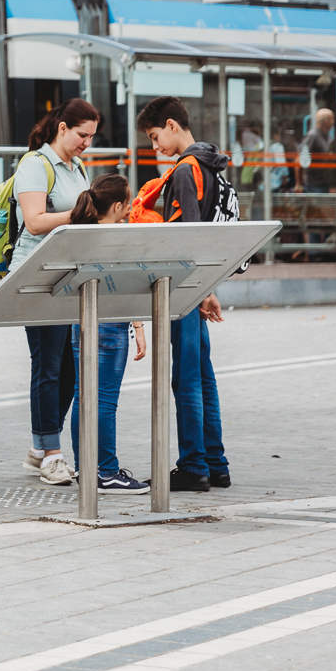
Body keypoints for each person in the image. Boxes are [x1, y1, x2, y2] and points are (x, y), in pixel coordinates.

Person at [137, 95, 232, 493]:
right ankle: (216, 461)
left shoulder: (183, 171)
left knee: (186, 379)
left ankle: (194, 465)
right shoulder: (214, 165)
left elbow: (185, 238)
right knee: (203, 376)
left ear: (173, 125)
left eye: (156, 137)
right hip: (204, 283)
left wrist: (196, 290)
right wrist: (211, 286)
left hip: (184, 290)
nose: (155, 146)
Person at [12, 98, 100, 487]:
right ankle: (51, 454)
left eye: (92, 137)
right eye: (82, 135)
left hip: (68, 278)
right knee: (47, 367)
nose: (87, 143)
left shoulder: (77, 167)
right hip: (36, 277)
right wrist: (80, 215)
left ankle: (40, 446)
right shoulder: (35, 164)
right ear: (62, 128)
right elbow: (33, 222)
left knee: (66, 372)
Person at [65, 175, 150, 495]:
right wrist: (139, 326)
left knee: (83, 395)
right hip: (111, 327)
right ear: (116, 206)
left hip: (81, 322)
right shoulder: (117, 236)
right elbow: (125, 286)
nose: (129, 211)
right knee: (104, 401)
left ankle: (85, 467)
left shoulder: (81, 233)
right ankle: (106, 471)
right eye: (127, 205)